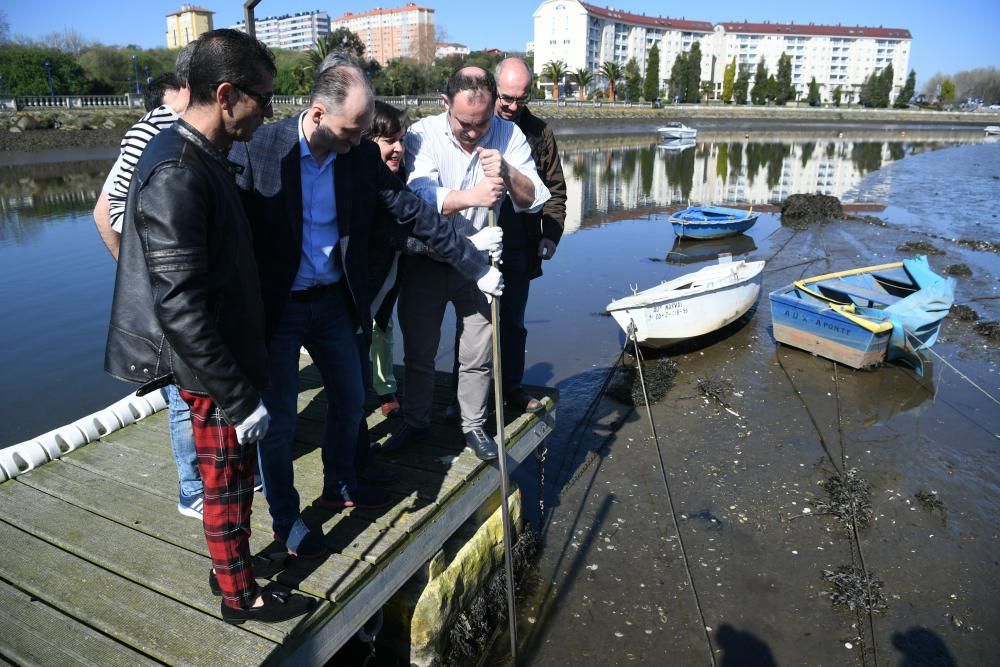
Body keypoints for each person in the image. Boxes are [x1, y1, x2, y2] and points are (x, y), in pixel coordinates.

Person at [230, 53, 504, 559]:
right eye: (352, 130)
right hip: (279, 305)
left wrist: (472, 262)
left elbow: (414, 215)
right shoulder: (260, 148)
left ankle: (340, 483)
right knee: (282, 419)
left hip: (335, 300)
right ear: (316, 114)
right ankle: (286, 520)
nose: (361, 141)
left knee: (351, 399)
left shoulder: (357, 157)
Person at [105, 28, 314, 624]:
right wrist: (238, 395)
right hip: (211, 368)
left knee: (235, 483)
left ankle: (233, 567)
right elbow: (180, 306)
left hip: (226, 356)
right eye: (264, 98)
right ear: (226, 94)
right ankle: (239, 597)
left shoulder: (202, 156)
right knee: (224, 488)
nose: (270, 111)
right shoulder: (179, 171)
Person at [385, 66, 549, 459]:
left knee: (477, 352)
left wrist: (508, 173)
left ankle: (473, 426)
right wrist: (475, 195)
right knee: (420, 350)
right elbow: (419, 197)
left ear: (494, 107)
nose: (474, 132)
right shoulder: (423, 133)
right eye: (464, 123)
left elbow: (535, 199)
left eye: (482, 122)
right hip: (427, 259)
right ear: (446, 104)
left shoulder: (509, 134)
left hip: (480, 264)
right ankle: (417, 420)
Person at [93, 42, 209, 522]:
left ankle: (205, 478)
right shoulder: (162, 131)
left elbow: (104, 211)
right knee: (181, 392)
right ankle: (190, 489)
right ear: (185, 90)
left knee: (188, 390)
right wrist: (141, 280)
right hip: (167, 285)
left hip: (162, 280)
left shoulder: (149, 131)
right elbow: (107, 213)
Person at [493, 58, 567, 412]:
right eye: (506, 97)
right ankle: (465, 398)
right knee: (473, 324)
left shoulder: (539, 132)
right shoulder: (477, 123)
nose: (511, 106)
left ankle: (511, 389)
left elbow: (556, 191)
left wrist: (550, 235)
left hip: (522, 244)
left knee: (513, 324)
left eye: (520, 99)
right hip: (478, 243)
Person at [365, 101, 407, 420]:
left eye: (401, 140)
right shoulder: (354, 174)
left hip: (391, 266)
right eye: (389, 141)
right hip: (361, 268)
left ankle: (385, 387)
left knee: (383, 324)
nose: (397, 149)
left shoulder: (405, 175)